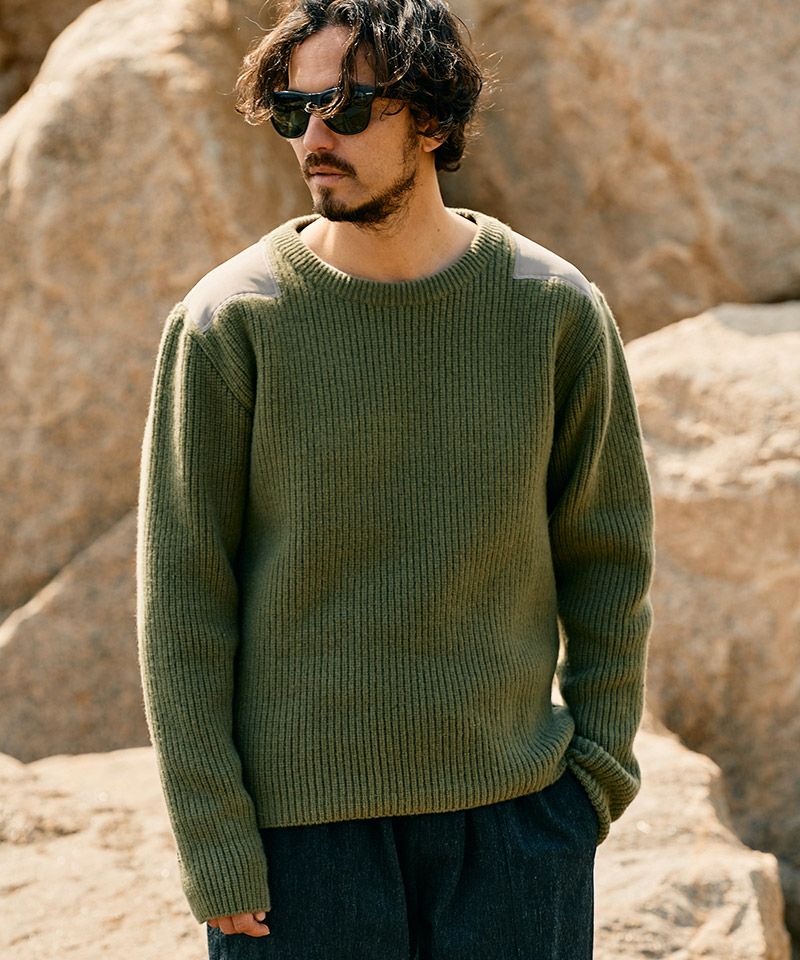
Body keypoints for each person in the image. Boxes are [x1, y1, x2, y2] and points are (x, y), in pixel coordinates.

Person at [135, 0, 656, 957]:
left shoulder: (552, 310)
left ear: (433, 118)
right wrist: (214, 840)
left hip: (516, 831)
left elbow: (609, 557)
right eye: (294, 112)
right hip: (298, 853)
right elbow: (183, 604)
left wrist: (595, 778)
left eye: (344, 107)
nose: (315, 138)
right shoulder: (229, 323)